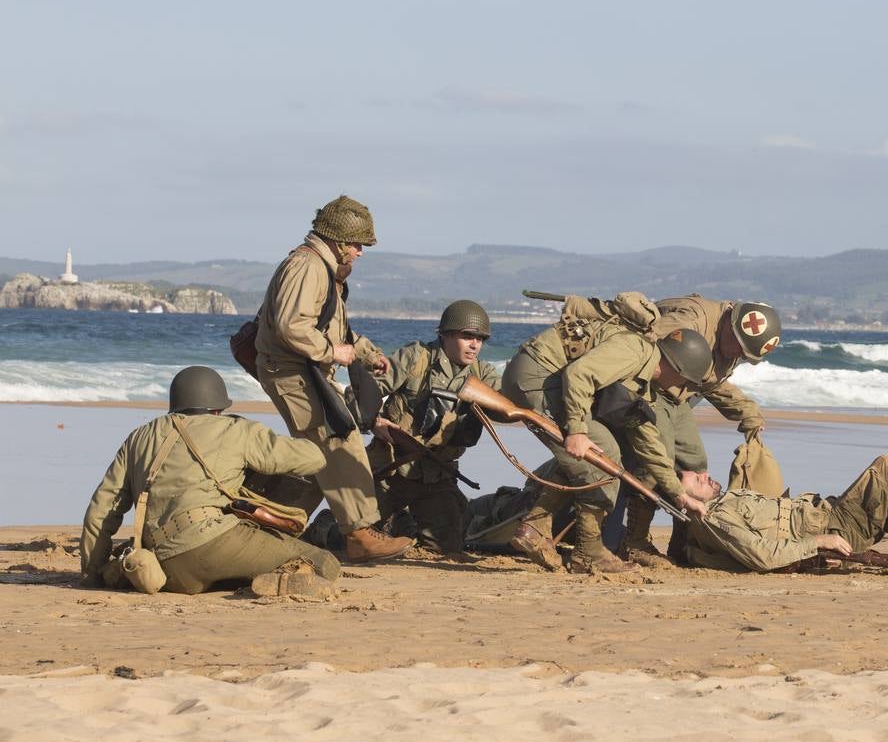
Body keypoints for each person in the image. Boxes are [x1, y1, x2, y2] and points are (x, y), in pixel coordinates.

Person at [80, 366, 341, 596]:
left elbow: (100, 512)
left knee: (213, 570)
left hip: (164, 566)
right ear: (218, 408)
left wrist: (91, 575)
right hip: (215, 544)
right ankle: (282, 582)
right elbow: (313, 460)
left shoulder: (139, 437)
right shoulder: (234, 430)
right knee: (324, 563)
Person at [251, 195, 412, 562]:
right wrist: (331, 353)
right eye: (357, 244)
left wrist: (367, 355)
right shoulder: (307, 266)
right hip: (291, 371)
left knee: (315, 456)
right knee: (339, 441)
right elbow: (292, 325)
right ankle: (359, 534)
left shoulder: (325, 268)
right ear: (339, 240)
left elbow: (332, 327)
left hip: (303, 370)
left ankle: (274, 528)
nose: (360, 252)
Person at [501, 315, 714, 574]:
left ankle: (536, 525)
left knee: (601, 453)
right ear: (678, 370)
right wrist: (577, 430)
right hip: (537, 375)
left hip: (544, 376)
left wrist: (679, 495)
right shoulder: (635, 352)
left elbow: (647, 441)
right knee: (603, 453)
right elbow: (578, 374)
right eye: (687, 382)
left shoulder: (644, 381)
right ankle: (587, 552)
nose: (684, 390)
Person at [623, 297, 781, 564]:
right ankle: (634, 542)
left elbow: (709, 381)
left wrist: (747, 411)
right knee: (657, 459)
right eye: (740, 349)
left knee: (695, 463)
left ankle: (685, 540)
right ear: (731, 326)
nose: (738, 356)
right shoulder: (691, 320)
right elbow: (639, 350)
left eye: (745, 355)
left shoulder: (730, 344)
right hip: (650, 388)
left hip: (677, 396)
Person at [679, 454, 888, 573]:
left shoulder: (725, 502)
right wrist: (819, 541)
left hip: (831, 515)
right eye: (696, 480)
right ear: (684, 498)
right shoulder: (716, 519)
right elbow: (761, 555)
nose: (704, 476)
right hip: (834, 530)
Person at [366, 300, 500, 554]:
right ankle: (325, 525)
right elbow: (363, 392)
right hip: (390, 471)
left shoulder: (483, 374)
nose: (475, 345)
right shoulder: (415, 358)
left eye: (480, 339)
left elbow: (508, 405)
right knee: (351, 535)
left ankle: (402, 525)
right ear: (446, 335)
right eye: (468, 336)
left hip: (437, 477)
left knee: (448, 548)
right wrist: (373, 421)